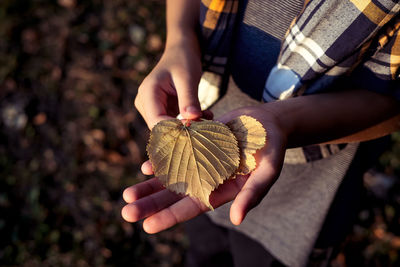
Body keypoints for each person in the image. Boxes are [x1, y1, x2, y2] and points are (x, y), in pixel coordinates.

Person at [122, 0, 400, 266]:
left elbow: (393, 105)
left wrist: (286, 123)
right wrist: (180, 36)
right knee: (205, 245)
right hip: (218, 111)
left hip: (316, 175)